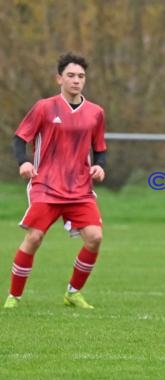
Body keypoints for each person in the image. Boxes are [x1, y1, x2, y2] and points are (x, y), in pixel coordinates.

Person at [3, 52, 107, 309]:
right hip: (46, 186)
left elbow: (100, 148)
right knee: (34, 238)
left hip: (80, 189)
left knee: (94, 237)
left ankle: (73, 292)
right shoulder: (44, 107)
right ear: (59, 78)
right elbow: (19, 139)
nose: (76, 80)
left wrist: (99, 166)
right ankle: (14, 296)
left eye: (81, 76)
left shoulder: (95, 112)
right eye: (71, 75)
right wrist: (23, 162)